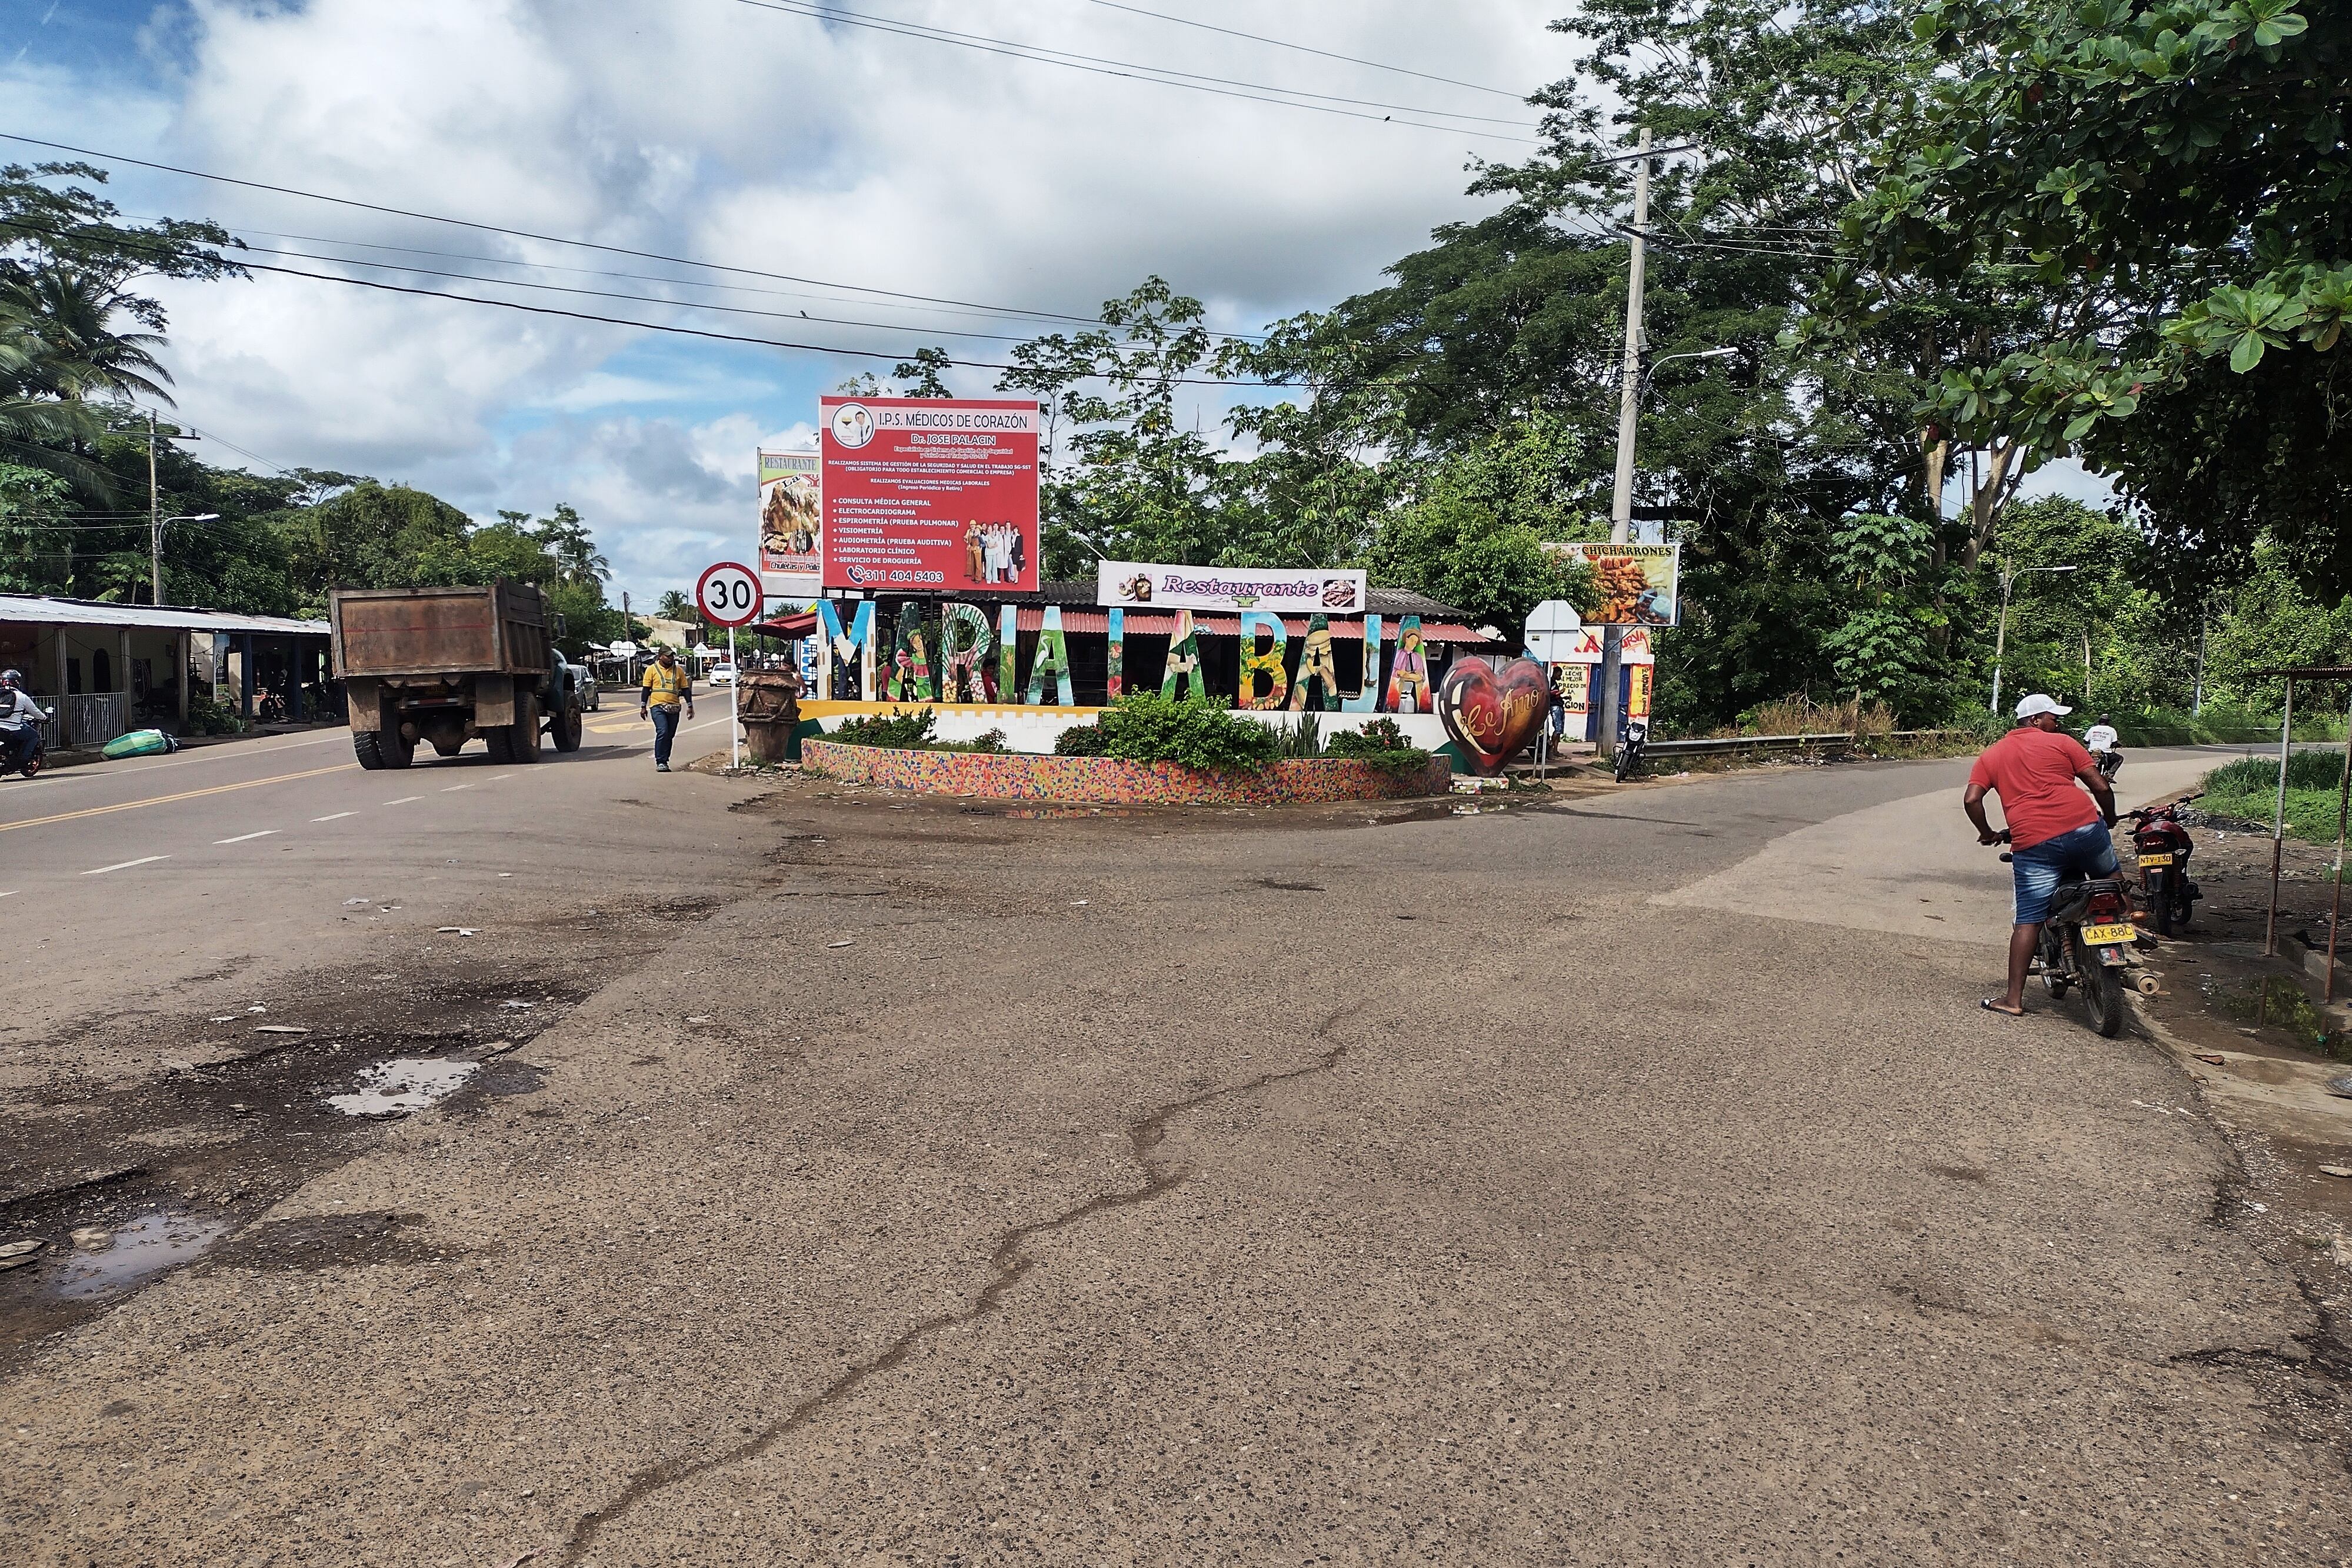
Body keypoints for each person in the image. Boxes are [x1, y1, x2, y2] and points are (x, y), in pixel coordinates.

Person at [1965, 693, 2120, 1016]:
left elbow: (1971, 800)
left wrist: (1987, 833)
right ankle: (2126, 931)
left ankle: (2013, 1001)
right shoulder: (2064, 743)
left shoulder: (1992, 755)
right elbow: (2101, 787)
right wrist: (2108, 819)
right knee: (2111, 879)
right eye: (2053, 717)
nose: (2058, 722)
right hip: (2085, 830)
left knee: (2029, 920)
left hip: (2035, 844)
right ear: (2035, 720)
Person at [638, 646, 695, 772]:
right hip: (657, 706)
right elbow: (646, 689)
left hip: (674, 707)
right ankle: (660, 761)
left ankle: (665, 760)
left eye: (671, 656)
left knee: (670, 735)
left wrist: (690, 706)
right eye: (668, 656)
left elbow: (686, 690)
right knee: (663, 731)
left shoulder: (679, 671)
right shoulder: (651, 670)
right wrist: (643, 707)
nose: (670, 658)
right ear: (660, 657)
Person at [0, 669, 43, 770]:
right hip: (13, 728)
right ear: (17, 682)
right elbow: (35, 711)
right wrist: (45, 718)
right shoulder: (21, 696)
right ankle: (23, 760)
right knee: (33, 736)